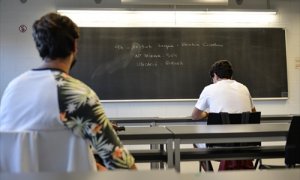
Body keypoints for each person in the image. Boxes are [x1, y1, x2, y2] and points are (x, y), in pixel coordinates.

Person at [0, 12, 136, 171]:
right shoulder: (78, 95)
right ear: (74, 46)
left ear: (40, 48)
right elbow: (120, 163)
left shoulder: (13, 88)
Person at [191, 60, 256, 171]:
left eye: (213, 78)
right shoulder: (244, 88)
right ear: (231, 75)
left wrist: (207, 113)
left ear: (215, 76)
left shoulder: (209, 89)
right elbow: (253, 114)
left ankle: (211, 175)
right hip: (246, 145)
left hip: (219, 146)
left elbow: (195, 116)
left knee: (196, 142)